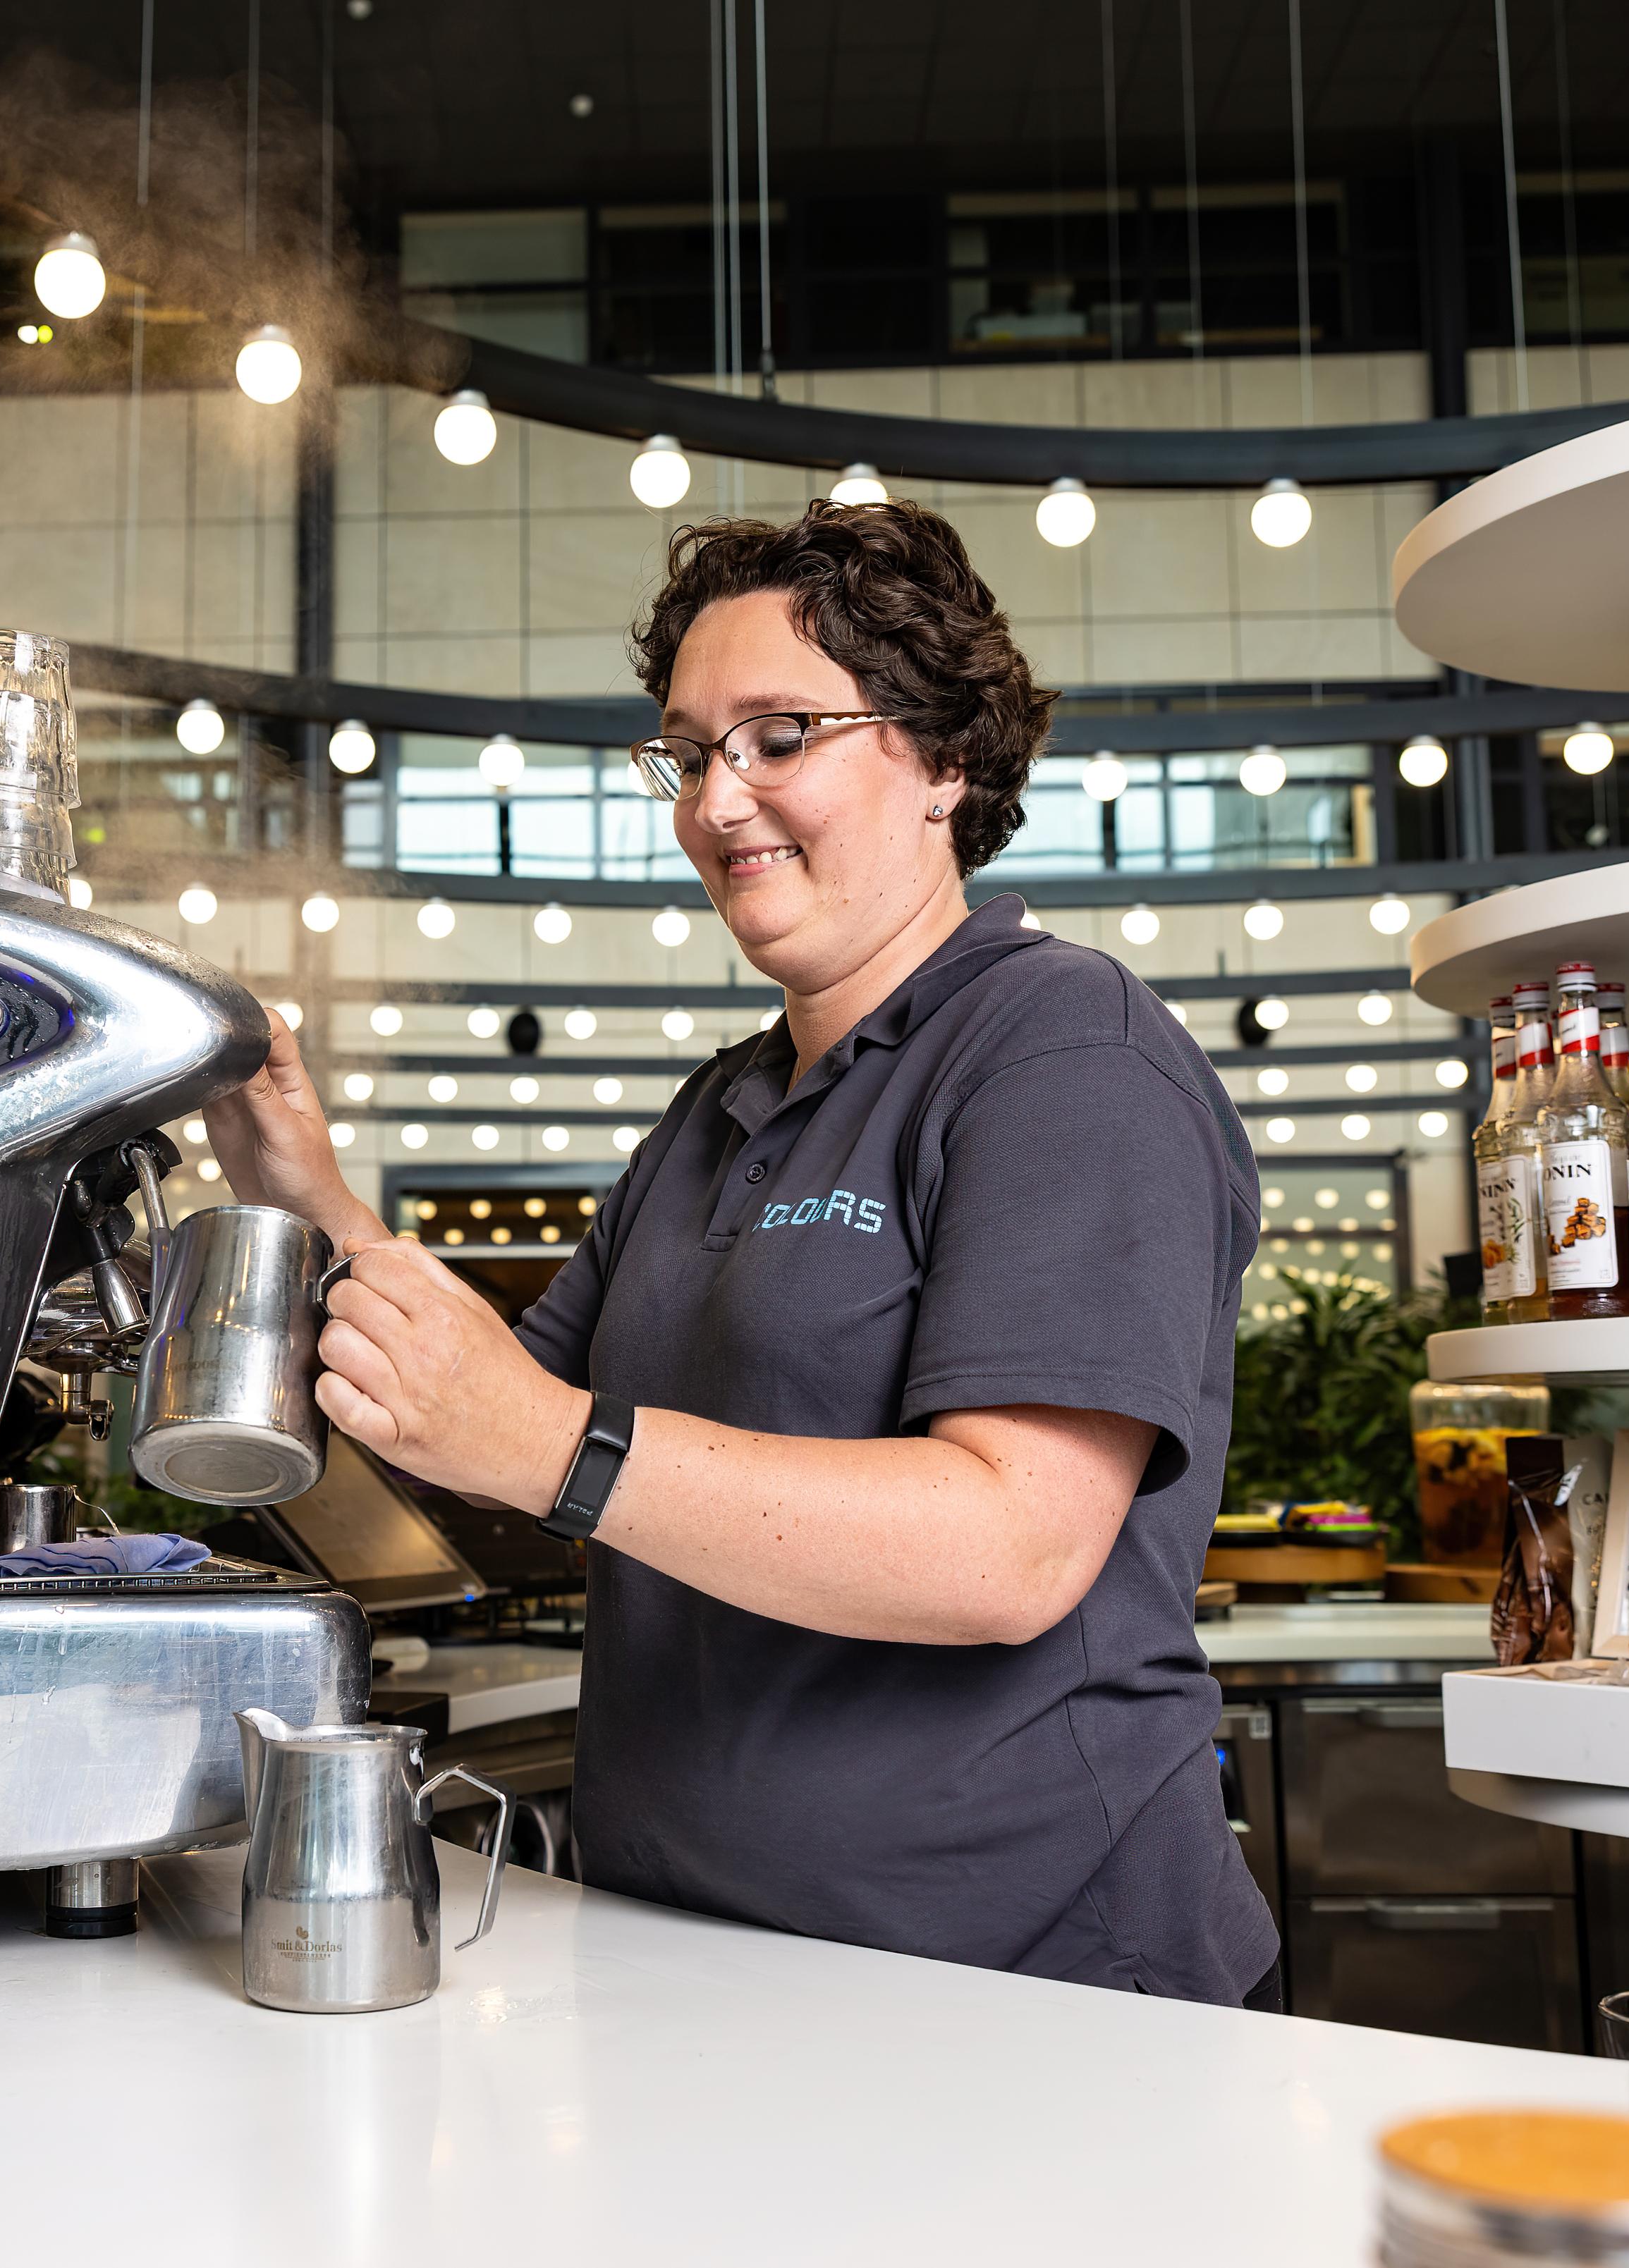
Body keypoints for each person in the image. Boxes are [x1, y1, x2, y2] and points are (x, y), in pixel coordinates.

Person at [205, 501, 1275, 2004]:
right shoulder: (717, 1112)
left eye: (781, 736)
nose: (719, 801)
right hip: (690, 1959)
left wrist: (560, 1448)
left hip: (1020, 1987)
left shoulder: (1064, 1053)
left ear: (946, 762)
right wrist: (310, 1192)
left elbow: (1009, 1546)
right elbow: (489, 1424)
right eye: (689, 752)